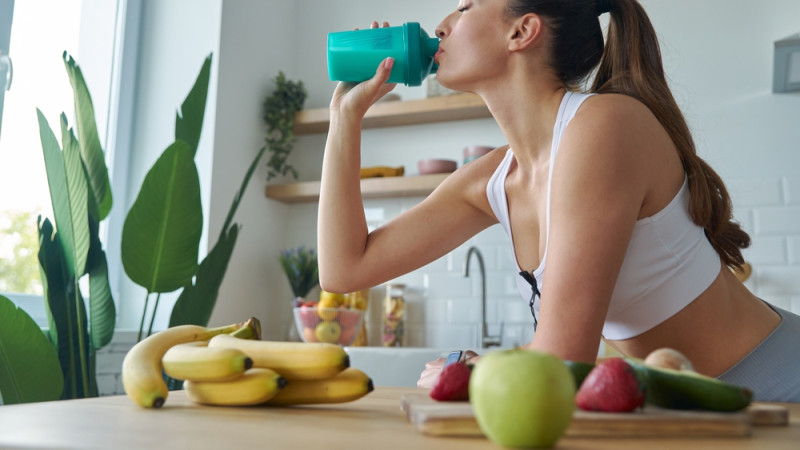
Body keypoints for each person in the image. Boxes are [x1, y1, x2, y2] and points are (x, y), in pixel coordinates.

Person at [317, 0, 800, 402]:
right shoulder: (493, 178)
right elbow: (344, 269)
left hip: (776, 379)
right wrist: (345, 117)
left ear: (522, 31)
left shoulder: (603, 126)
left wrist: (475, 371)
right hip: (689, 400)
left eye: (465, 6)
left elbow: (563, 358)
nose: (441, 24)